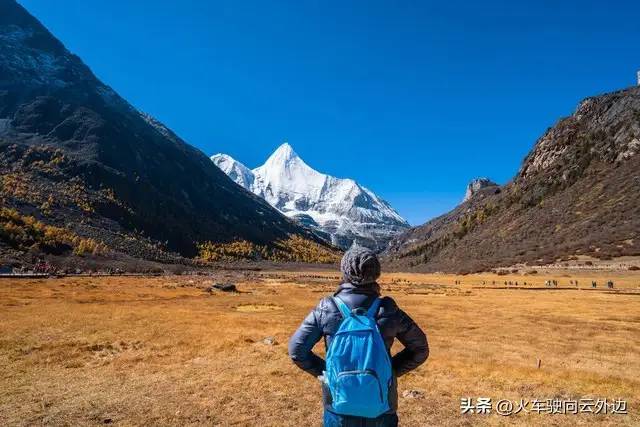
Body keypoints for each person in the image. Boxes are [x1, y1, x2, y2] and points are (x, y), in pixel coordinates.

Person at [288, 247, 429, 427]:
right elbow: (420, 349)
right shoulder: (388, 309)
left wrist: (328, 373)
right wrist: (389, 372)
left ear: (345, 272)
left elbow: (296, 350)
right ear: (376, 273)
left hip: (338, 408)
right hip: (382, 407)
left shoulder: (327, 307)